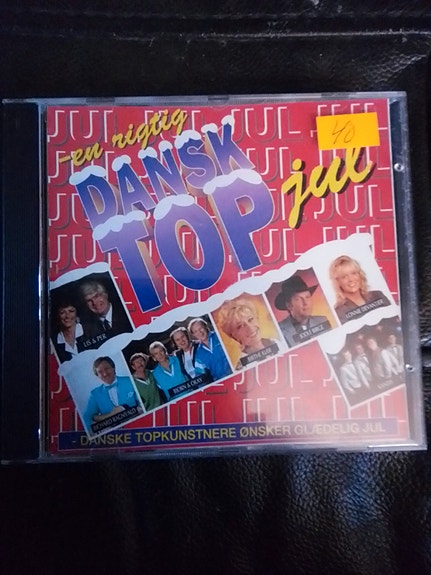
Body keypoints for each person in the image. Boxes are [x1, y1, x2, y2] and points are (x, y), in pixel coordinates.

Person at [217, 297, 279, 369]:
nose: (250, 328)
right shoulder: (242, 367)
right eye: (240, 326)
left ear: (257, 318)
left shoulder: (276, 342)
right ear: (234, 336)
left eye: (250, 319)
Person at [83, 356, 140, 432]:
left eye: (107, 369)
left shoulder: (130, 381)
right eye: (100, 372)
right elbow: (87, 418)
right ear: (97, 375)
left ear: (113, 368)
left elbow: (143, 404)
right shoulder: (95, 394)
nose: (105, 374)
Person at [329, 255, 390, 324]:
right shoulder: (339, 312)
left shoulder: (378, 296)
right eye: (344, 277)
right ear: (338, 282)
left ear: (360, 274)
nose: (351, 279)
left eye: (353, 273)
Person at [274, 275, 330, 347]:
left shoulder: (322, 320)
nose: (305, 303)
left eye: (307, 297)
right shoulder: (279, 330)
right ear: (289, 305)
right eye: (299, 299)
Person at [79, 279, 133, 345]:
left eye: (96, 296)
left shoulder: (127, 312)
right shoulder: (86, 329)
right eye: (89, 300)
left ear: (106, 294)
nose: (94, 302)